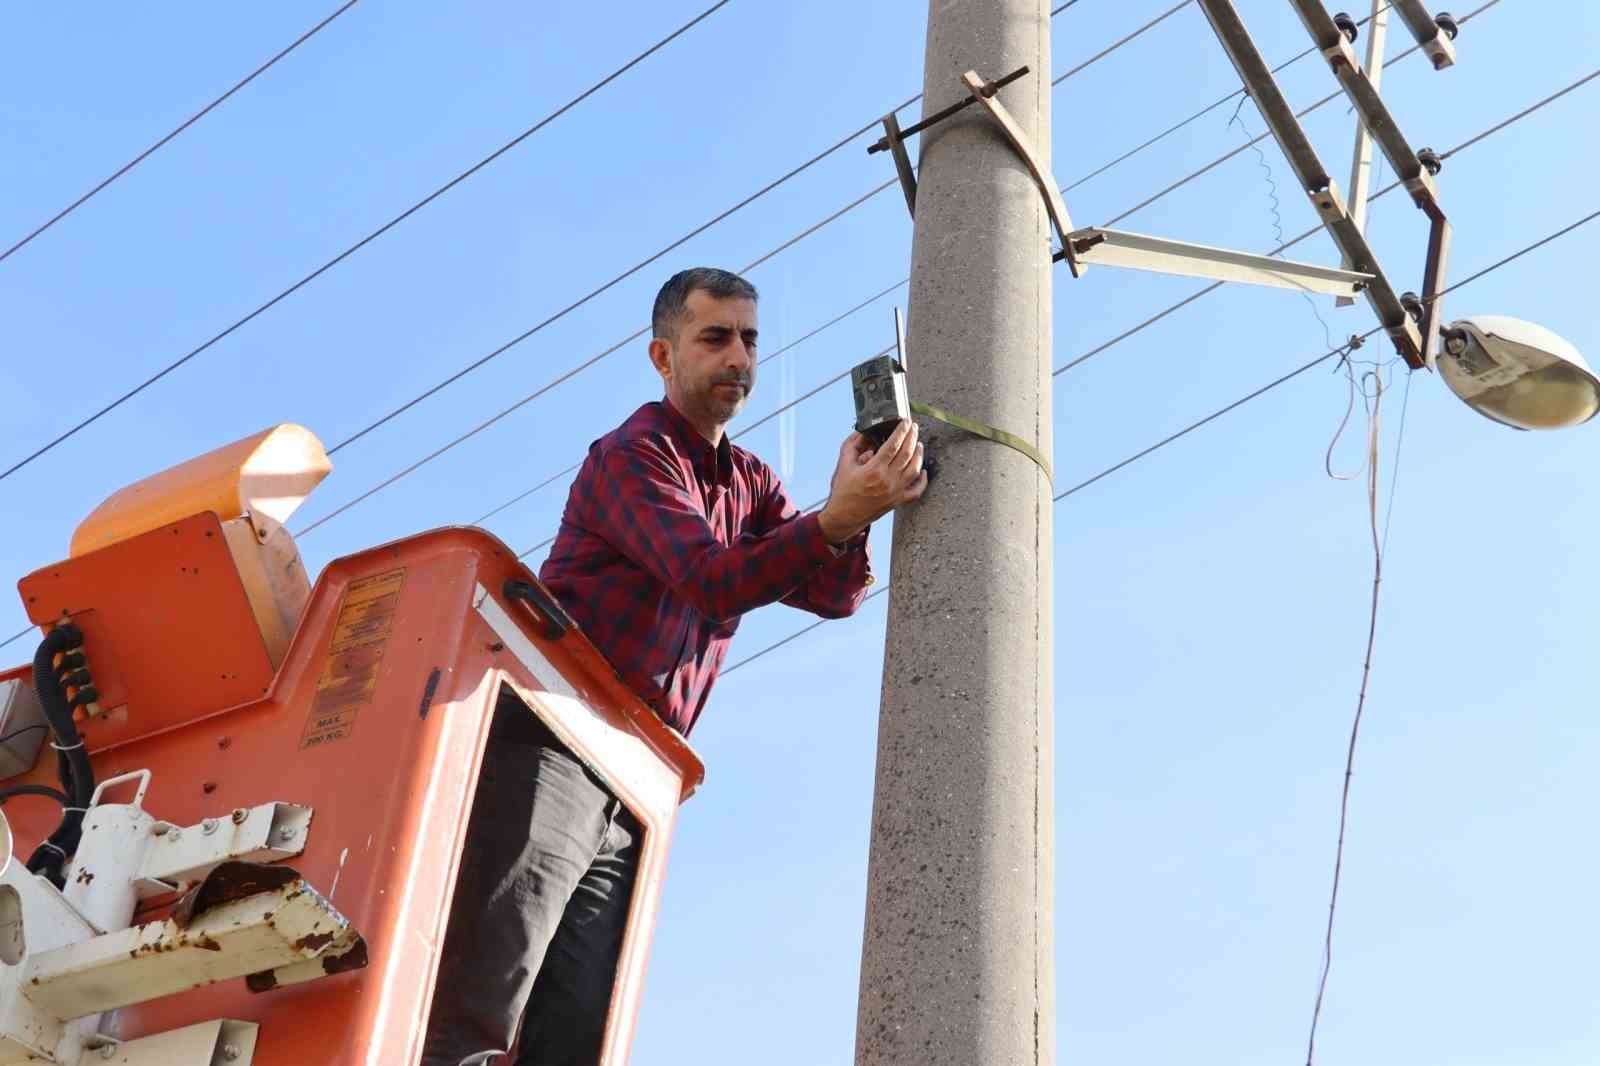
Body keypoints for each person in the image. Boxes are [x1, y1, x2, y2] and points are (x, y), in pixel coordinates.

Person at [421, 267, 927, 1065]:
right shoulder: (634, 455)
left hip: (633, 776)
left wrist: (849, 507)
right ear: (663, 356)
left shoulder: (749, 479)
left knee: (574, 1032)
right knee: (486, 998)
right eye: (715, 337)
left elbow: (832, 594)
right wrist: (836, 516)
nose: (738, 357)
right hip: (557, 741)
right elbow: (712, 578)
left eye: (750, 340)